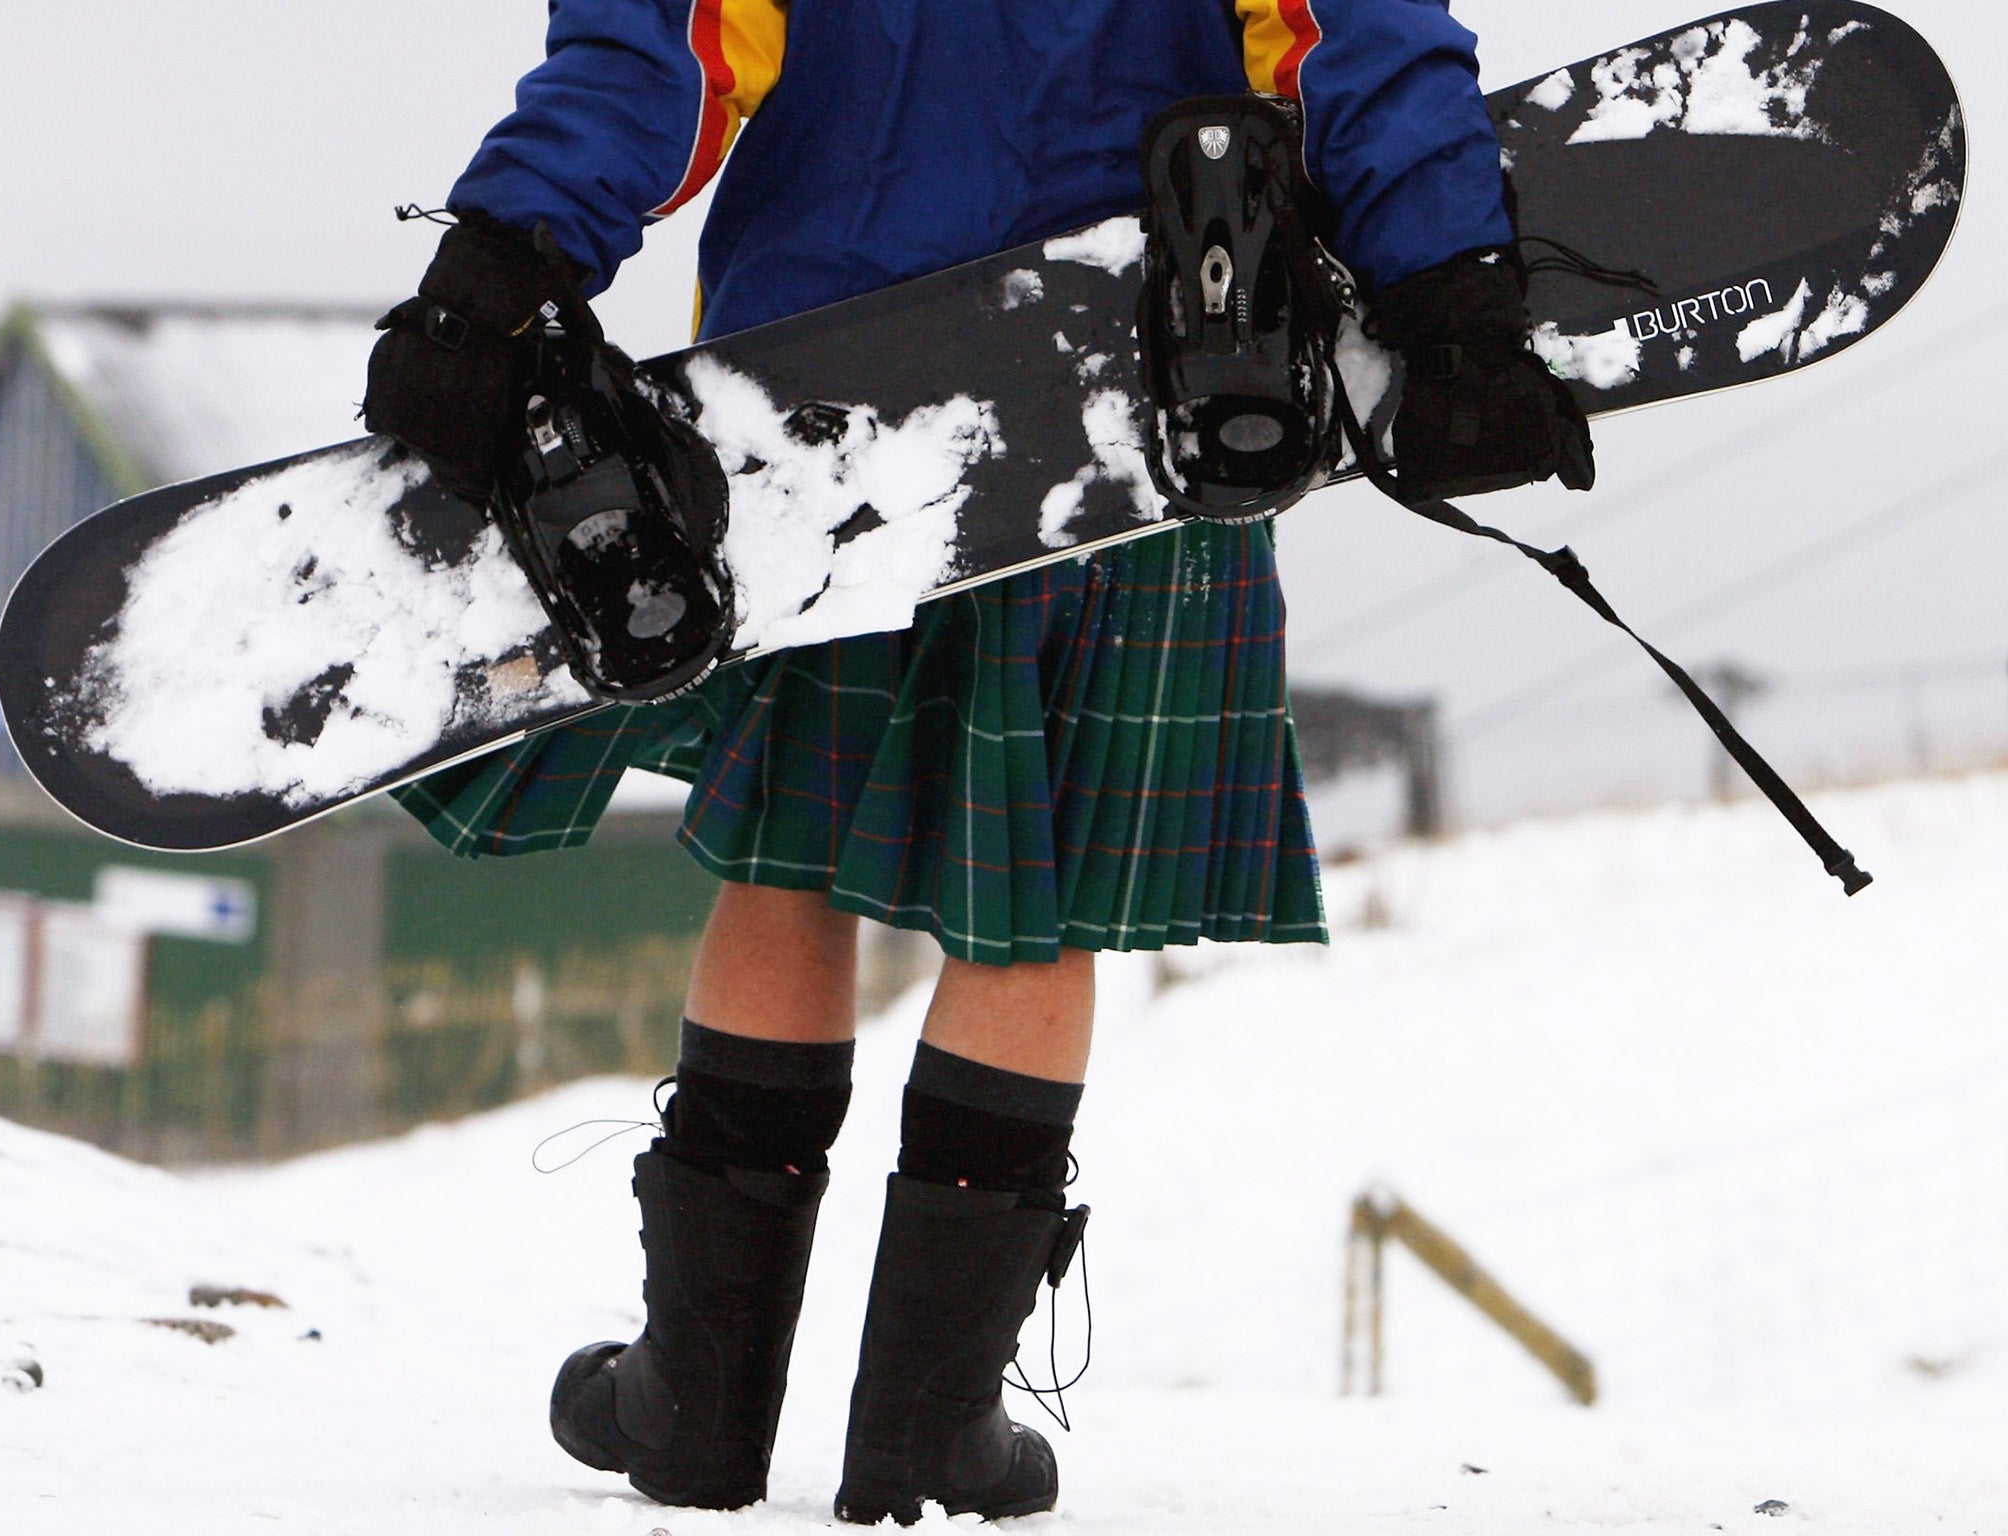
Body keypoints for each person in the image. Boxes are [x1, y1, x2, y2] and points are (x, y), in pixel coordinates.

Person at [363, 0, 1592, 1523]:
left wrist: (504, 262)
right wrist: (1450, 292)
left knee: (787, 858)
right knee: (1044, 885)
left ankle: (692, 1401)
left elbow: (667, 49)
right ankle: (931, 1438)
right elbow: (1348, 31)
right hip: (1153, 368)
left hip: (827, 382)